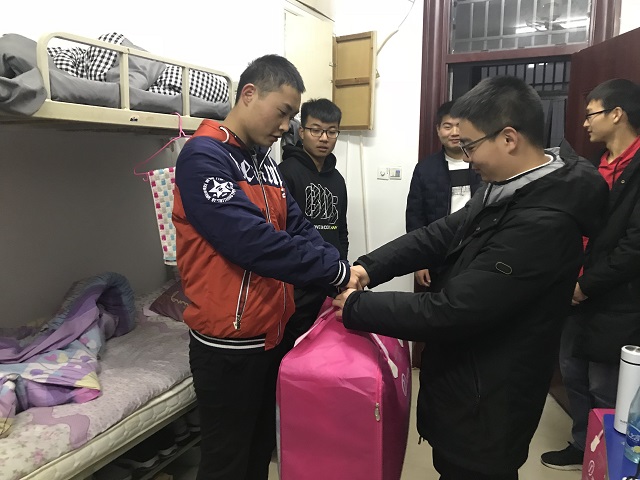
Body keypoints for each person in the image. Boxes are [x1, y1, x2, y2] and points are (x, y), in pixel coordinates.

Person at [332, 76, 608, 480]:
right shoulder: (510, 186)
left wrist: (357, 307)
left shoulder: (543, 223)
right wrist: (368, 267)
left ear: (508, 138)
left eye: (471, 145)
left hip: (490, 398)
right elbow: (439, 233)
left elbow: (454, 310)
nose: (467, 157)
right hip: (468, 382)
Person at [172, 54, 354, 480]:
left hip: (272, 333)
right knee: (226, 461)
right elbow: (252, 243)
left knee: (259, 450)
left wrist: (339, 268)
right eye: (283, 112)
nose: (287, 126)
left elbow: (298, 226)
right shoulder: (203, 157)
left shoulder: (263, 163)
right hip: (228, 343)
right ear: (250, 94)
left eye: (292, 117)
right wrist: (335, 274)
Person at [541, 78, 640, 471]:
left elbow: (634, 247)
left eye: (591, 114)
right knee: (573, 373)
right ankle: (583, 445)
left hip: (616, 299)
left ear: (617, 114)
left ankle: (610, 460)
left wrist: (586, 286)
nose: (585, 123)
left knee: (605, 384)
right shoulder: (595, 165)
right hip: (574, 290)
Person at [278, 98, 348, 348]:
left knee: (323, 349)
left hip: (329, 280)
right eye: (316, 130)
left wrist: (342, 271)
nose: (324, 138)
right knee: (292, 348)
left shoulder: (337, 179)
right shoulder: (285, 172)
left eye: (331, 131)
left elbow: (341, 230)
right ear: (302, 131)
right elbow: (280, 231)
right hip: (297, 285)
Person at [406, 100, 482, 289]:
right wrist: (418, 261)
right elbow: (415, 217)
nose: (454, 132)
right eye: (448, 126)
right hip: (438, 255)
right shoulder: (425, 169)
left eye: (459, 126)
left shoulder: (483, 163)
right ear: (438, 130)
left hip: (477, 252)